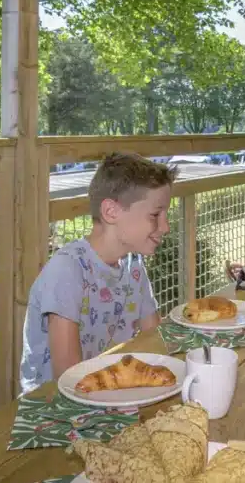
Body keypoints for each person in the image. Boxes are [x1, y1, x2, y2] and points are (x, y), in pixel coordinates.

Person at [18, 152, 173, 393]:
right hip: (55, 407)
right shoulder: (67, 270)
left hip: (111, 394)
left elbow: (154, 342)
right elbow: (69, 378)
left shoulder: (133, 266)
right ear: (111, 212)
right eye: (155, 215)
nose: (166, 226)